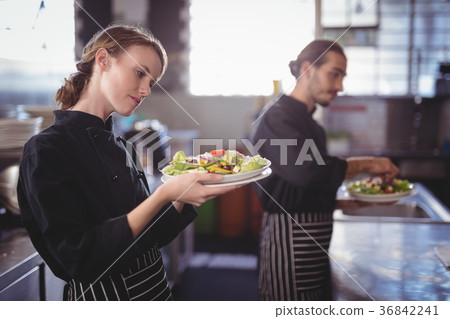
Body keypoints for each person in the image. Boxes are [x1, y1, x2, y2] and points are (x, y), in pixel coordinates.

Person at [17, 24, 238, 301]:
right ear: (103, 60)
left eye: (151, 82)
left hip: (155, 291)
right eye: (139, 73)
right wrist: (163, 195)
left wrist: (182, 193)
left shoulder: (123, 146)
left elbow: (153, 235)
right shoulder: (46, 149)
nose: (146, 90)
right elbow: (77, 257)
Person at [251, 39, 399, 301]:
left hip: (315, 245)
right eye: (335, 74)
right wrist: (369, 164)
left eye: (343, 77)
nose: (340, 86)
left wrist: (346, 202)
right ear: (307, 69)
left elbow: (308, 187)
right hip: (289, 241)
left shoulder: (313, 126)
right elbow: (306, 172)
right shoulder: (276, 117)